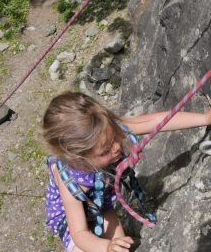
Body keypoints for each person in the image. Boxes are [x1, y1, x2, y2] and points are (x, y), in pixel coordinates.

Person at [42, 91, 211, 252]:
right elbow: (79, 234)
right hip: (70, 221)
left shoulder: (106, 131)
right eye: (105, 151)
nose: (116, 147)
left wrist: (204, 118)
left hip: (103, 205)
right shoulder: (71, 181)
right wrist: (106, 247)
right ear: (78, 158)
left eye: (115, 137)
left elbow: (157, 121)